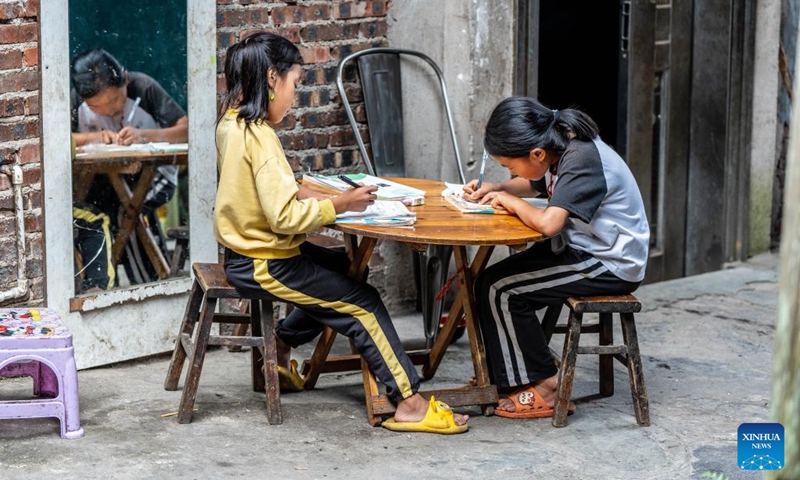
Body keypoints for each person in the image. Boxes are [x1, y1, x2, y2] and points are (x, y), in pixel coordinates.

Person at [213, 32, 468, 434]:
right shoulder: (259, 138)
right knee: (362, 303)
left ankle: (280, 344)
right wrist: (341, 205)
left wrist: (319, 193)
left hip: (248, 252)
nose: (295, 96)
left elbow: (268, 188)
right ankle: (409, 402)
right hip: (264, 262)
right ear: (271, 79)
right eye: (295, 84)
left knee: (345, 265)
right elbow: (283, 219)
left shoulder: (233, 124)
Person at [463, 96, 649, 419]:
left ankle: (548, 383)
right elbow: (535, 182)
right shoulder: (558, 140)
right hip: (581, 244)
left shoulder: (581, 159)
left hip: (610, 260)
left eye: (509, 165)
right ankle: (509, 374)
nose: (510, 171)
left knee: (503, 291)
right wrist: (498, 186)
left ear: (536, 153)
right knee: (487, 283)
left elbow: (549, 224)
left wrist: (509, 201)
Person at [69, 49, 188, 285]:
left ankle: (149, 284)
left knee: (128, 209)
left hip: (156, 177)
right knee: (103, 212)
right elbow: (61, 139)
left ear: (125, 79)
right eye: (96, 107)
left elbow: (187, 129)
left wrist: (145, 135)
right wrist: (92, 138)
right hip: (103, 182)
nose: (109, 110)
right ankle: (142, 281)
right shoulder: (75, 100)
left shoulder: (143, 87)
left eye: (114, 100)